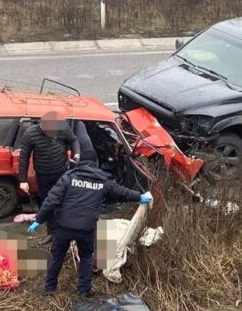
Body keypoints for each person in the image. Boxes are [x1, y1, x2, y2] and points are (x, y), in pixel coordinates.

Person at [28, 157, 153, 298]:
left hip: (64, 226)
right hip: (86, 228)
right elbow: (122, 193)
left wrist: (39, 220)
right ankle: (84, 290)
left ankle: (50, 288)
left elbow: (51, 200)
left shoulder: (69, 178)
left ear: (80, 165)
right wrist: (139, 197)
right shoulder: (103, 181)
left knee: (57, 257)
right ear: (96, 166)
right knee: (86, 257)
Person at [18, 111, 82, 244]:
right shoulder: (30, 134)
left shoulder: (62, 128)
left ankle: (65, 230)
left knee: (64, 201)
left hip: (62, 172)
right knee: (47, 203)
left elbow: (73, 140)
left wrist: (76, 153)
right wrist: (23, 180)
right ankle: (51, 231)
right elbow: (24, 157)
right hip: (43, 175)